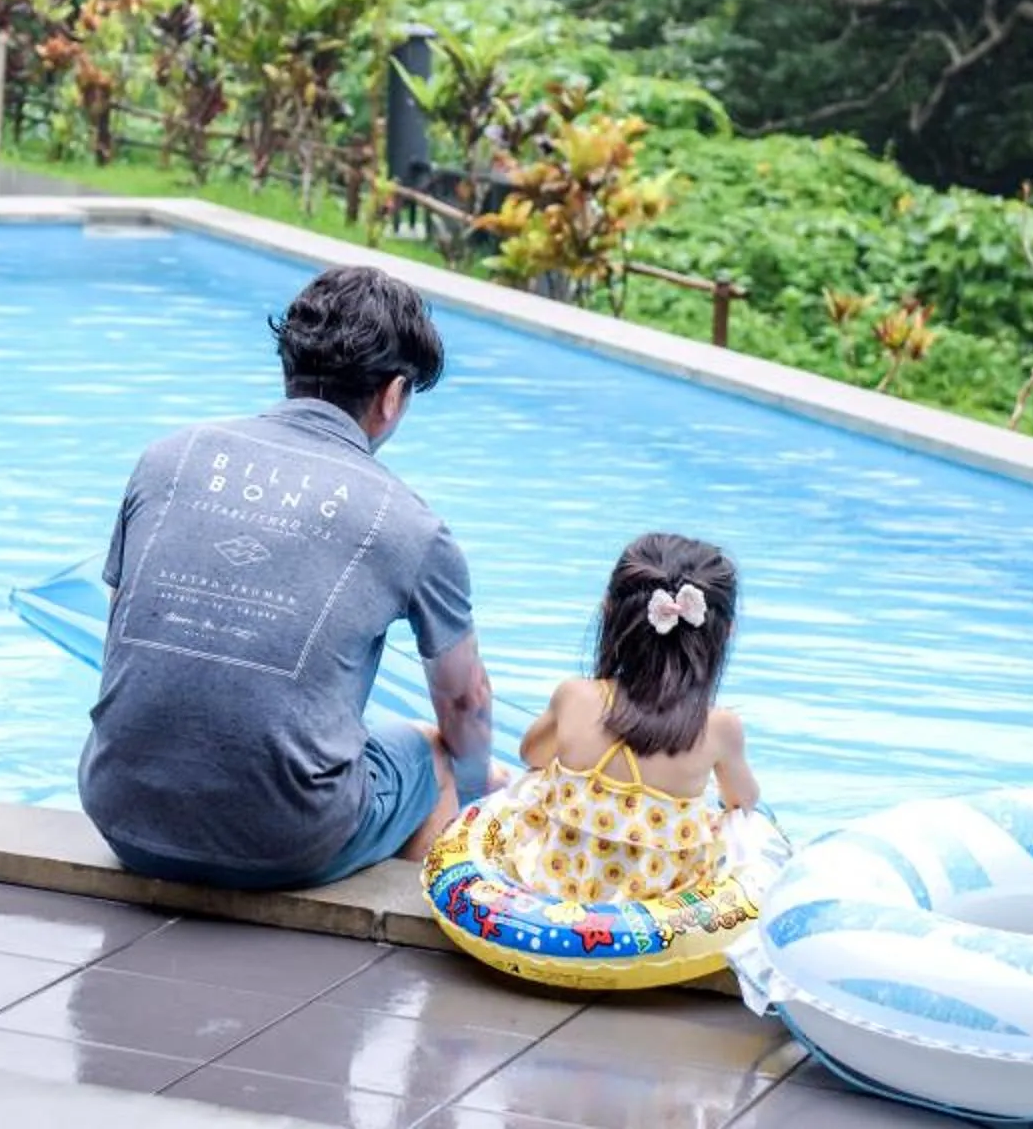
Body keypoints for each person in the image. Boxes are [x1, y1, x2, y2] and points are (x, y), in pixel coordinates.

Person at [78, 265, 497, 890]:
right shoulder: (409, 524)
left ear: (290, 368)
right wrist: (478, 788)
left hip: (119, 812)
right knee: (435, 757)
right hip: (287, 840)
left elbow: (124, 633)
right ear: (392, 395)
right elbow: (465, 703)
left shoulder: (167, 458)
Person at [497, 532, 758, 903]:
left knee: (530, 785)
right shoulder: (719, 728)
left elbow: (532, 757)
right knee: (741, 830)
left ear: (608, 611)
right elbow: (742, 800)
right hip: (658, 910)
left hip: (557, 891)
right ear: (725, 633)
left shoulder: (575, 696)